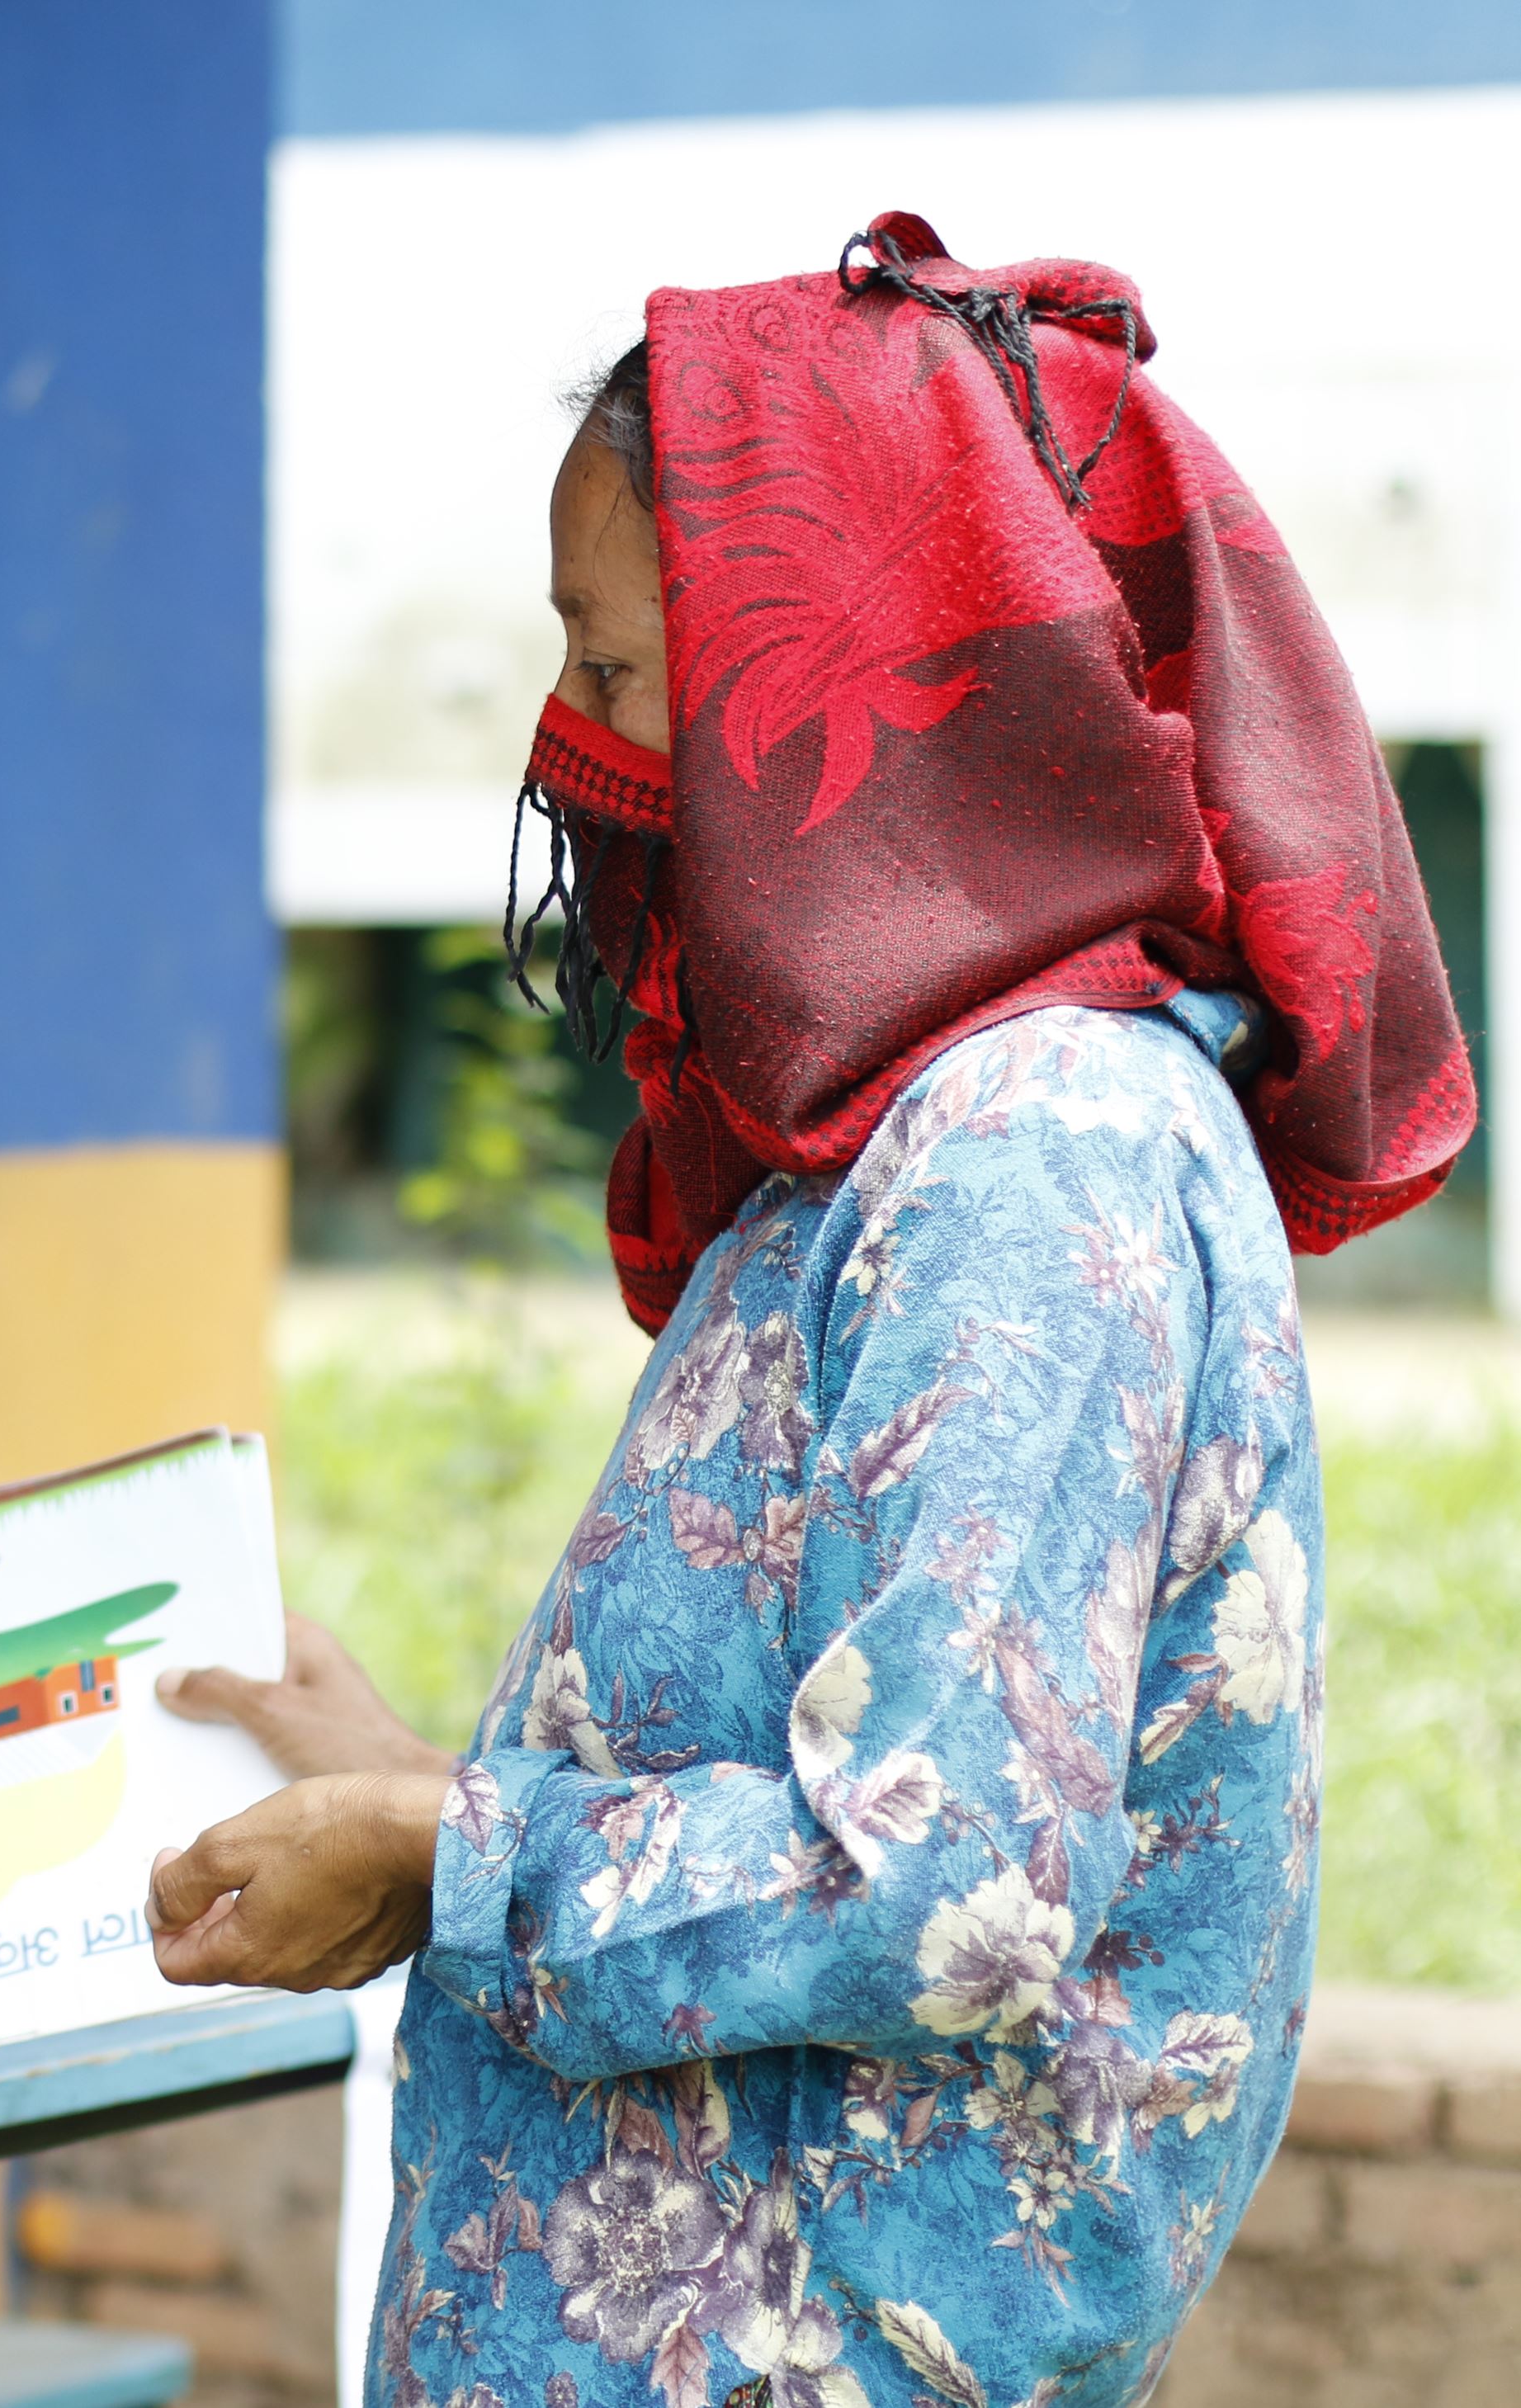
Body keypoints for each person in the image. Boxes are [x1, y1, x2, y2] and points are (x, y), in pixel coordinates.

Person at [144, 213, 1473, 2408]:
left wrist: (441, 1851)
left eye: (619, 675)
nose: (570, 747)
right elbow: (821, 1762)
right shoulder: (888, 1136)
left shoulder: (1029, 1156)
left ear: (825, 681)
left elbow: (938, 1888)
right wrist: (413, 1794)